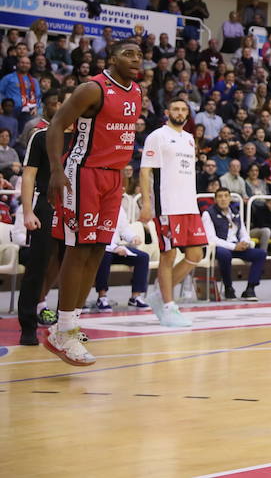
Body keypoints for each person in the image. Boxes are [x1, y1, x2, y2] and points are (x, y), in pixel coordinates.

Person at [42, 38, 143, 366]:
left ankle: (71, 323)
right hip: (82, 173)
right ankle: (63, 329)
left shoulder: (137, 92)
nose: (136, 59)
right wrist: (57, 170)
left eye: (140, 55)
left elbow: (120, 136)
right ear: (112, 59)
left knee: (99, 250)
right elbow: (56, 125)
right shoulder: (92, 89)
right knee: (79, 249)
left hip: (112, 177)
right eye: (128, 54)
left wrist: (123, 171)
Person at [139, 98, 207, 327]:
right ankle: (169, 306)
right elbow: (145, 172)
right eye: (176, 108)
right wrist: (147, 204)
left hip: (189, 206)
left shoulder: (189, 138)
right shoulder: (156, 136)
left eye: (184, 109)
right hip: (167, 205)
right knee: (168, 256)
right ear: (168, 111)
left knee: (196, 255)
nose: (179, 112)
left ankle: (160, 295)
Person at [16, 92, 63, 346]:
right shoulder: (41, 135)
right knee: (37, 267)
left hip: (75, 209)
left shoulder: (83, 139)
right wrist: (27, 211)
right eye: (59, 103)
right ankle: (27, 326)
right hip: (46, 205)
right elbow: (29, 175)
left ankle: (67, 327)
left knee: (70, 269)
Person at [202, 188, 266, 301]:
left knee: (260, 254)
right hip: (218, 247)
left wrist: (245, 242)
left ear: (230, 198)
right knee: (225, 254)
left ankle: (250, 289)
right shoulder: (208, 214)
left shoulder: (235, 212)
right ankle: (228, 288)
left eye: (226, 196)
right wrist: (234, 246)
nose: (223, 199)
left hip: (236, 246)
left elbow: (243, 232)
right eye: (220, 196)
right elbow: (211, 238)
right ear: (215, 200)